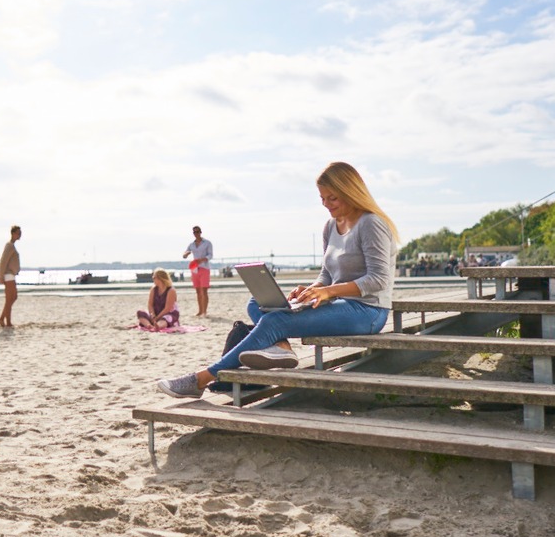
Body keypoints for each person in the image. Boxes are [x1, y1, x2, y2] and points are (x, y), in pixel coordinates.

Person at [157, 161, 398, 398]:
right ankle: (282, 347)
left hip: (368, 310)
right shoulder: (330, 226)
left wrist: (329, 292)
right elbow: (326, 273)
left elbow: (378, 280)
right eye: (322, 198)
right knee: (257, 303)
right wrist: (312, 288)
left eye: (332, 198)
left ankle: (200, 380)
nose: (326, 204)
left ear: (350, 191)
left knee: (274, 321)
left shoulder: (371, 224)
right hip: (337, 303)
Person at [182, 225, 214, 316]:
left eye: (197, 231)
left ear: (200, 232)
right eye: (194, 232)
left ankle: (204, 311)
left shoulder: (207, 243)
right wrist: (186, 254)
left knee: (204, 291)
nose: (196, 234)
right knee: (197, 291)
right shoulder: (191, 244)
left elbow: (210, 255)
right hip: (195, 269)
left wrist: (202, 259)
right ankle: (200, 310)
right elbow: (184, 254)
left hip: (204, 267)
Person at [0, 225, 22, 327]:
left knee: (14, 297)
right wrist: (0, 275)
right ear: (12, 233)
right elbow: (3, 261)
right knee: (9, 299)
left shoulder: (12, 245)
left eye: (20, 233)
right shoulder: (9, 245)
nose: (19, 234)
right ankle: (6, 321)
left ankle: (2, 319)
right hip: (8, 275)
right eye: (18, 233)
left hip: (11, 275)